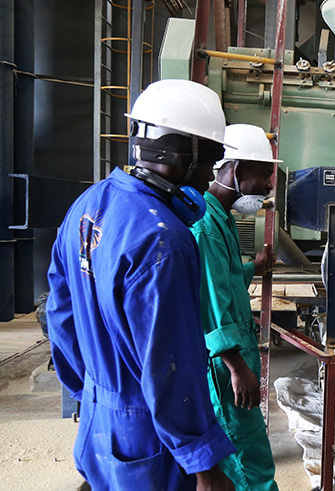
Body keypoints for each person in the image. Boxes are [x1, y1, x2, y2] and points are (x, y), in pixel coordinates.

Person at [46, 79, 237, 490]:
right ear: (181, 154)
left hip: (100, 419)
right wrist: (204, 464)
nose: (210, 176)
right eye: (211, 160)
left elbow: (60, 312)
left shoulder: (90, 204)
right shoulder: (163, 239)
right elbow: (170, 364)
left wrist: (93, 390)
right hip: (150, 438)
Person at [190, 124, 279, 491]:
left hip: (236, 353)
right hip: (224, 365)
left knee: (241, 455)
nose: (269, 186)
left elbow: (223, 276)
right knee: (248, 458)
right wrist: (237, 367)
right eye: (264, 175)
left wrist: (253, 268)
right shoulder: (207, 224)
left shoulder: (221, 216)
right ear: (237, 170)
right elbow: (210, 302)